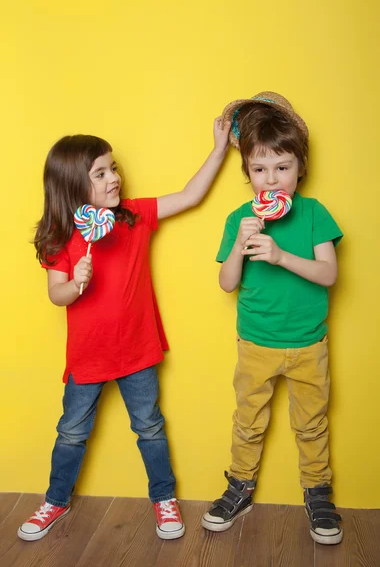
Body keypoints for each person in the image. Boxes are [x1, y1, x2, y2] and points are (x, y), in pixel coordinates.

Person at [18, 117, 231, 542]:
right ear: (74, 186)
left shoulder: (133, 217)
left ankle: (164, 497)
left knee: (149, 426)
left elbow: (189, 196)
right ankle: (55, 501)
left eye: (113, 168)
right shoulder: (60, 238)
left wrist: (220, 148)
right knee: (71, 432)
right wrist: (76, 282)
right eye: (101, 173)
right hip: (88, 355)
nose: (115, 178)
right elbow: (55, 296)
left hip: (136, 350)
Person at [201, 92, 343, 545]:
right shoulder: (240, 218)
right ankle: (239, 485)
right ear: (247, 175)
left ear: (300, 167)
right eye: (259, 170)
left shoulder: (315, 213)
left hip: (308, 343)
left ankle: (318, 491)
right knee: (248, 419)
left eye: (282, 168)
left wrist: (281, 255)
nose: (271, 180)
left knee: (312, 421)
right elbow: (226, 283)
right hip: (256, 342)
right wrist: (242, 246)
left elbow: (328, 274)